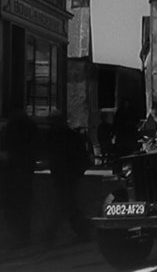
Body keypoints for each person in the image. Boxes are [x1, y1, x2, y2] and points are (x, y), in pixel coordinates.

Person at [43, 110, 91, 246]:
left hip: (65, 174)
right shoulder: (69, 136)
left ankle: (51, 234)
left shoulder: (58, 136)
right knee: (68, 203)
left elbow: (60, 157)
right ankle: (82, 231)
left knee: (65, 203)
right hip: (67, 174)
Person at [1, 107, 38, 250]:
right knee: (22, 207)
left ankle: (19, 236)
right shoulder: (30, 128)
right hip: (24, 174)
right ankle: (23, 236)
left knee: (14, 207)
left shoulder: (14, 128)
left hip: (13, 176)